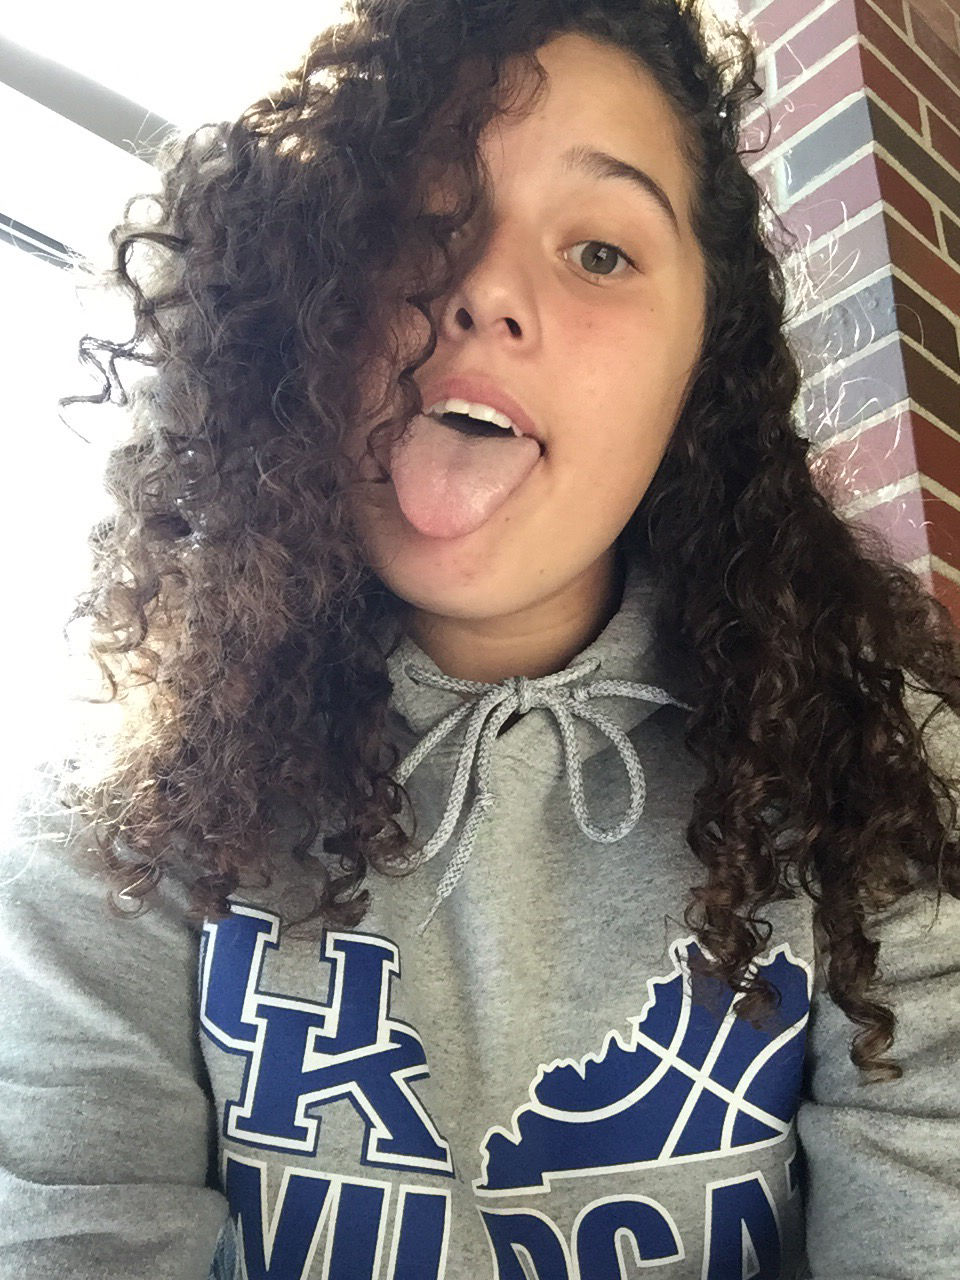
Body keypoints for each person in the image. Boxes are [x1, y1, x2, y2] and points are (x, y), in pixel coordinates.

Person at [1, 0, 959, 1276]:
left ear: (700, 377)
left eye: (602, 251)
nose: (487, 289)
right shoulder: (118, 815)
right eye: (420, 221)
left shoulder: (884, 770)